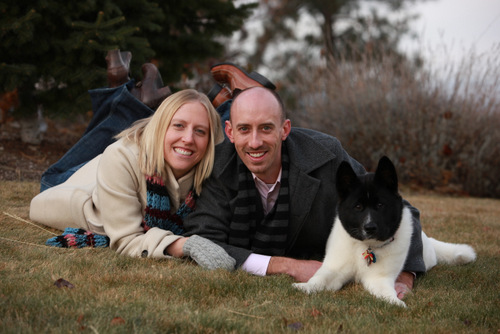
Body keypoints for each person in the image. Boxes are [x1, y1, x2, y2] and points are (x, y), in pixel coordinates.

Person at [182, 84, 425, 299]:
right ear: (230, 132)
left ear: (285, 129)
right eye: (244, 129)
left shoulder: (326, 155)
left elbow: (401, 213)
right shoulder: (217, 166)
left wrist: (404, 275)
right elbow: (205, 241)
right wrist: (288, 266)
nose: (254, 142)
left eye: (266, 128)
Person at [29, 50, 238, 270]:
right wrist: (183, 244)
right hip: (85, 194)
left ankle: (128, 94)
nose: (188, 139)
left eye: (200, 131)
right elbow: (127, 239)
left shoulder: (210, 160)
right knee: (51, 179)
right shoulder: (121, 156)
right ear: (159, 128)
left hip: (120, 166)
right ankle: (127, 95)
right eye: (178, 125)